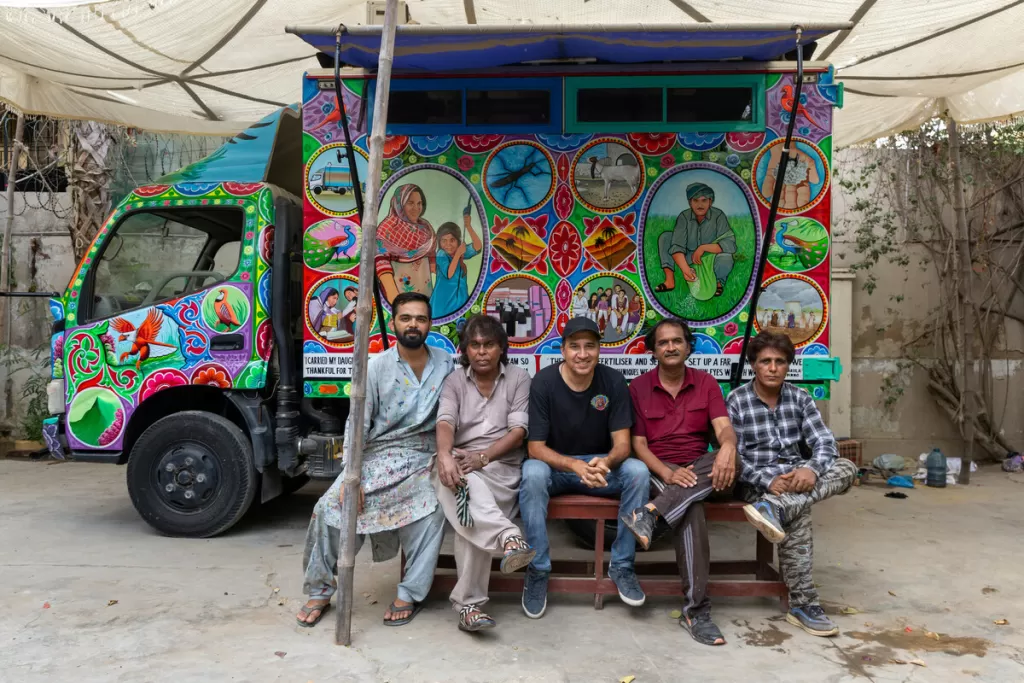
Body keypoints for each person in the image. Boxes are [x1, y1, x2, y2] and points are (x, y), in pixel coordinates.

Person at [296, 292, 453, 628]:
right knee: (329, 508)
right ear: (394, 322)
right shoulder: (376, 366)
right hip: (376, 454)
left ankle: (410, 592)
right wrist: (352, 475)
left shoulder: (447, 363)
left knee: (435, 507)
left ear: (430, 323)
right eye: (406, 318)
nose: (413, 324)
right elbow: (357, 424)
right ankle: (320, 590)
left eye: (421, 319)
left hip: (424, 456)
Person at [728, 331, 857, 638]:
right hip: (757, 484)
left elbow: (825, 444)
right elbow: (733, 457)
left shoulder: (800, 398)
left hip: (795, 481)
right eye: (765, 362)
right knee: (799, 512)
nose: (772, 368)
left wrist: (810, 470)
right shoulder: (737, 401)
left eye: (780, 362)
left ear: (788, 366)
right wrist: (769, 481)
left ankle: (776, 509)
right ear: (754, 366)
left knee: (848, 467)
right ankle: (803, 604)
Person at [519, 316, 649, 618]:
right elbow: (535, 448)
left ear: (599, 350)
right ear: (563, 350)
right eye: (574, 346)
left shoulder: (613, 381)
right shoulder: (544, 382)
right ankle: (538, 568)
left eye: (589, 346)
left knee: (638, 472)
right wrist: (575, 466)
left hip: (599, 468)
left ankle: (623, 565)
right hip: (558, 468)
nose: (582, 353)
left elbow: (622, 446)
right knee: (532, 473)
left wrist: (604, 462)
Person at [620, 319, 738, 646]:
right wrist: (670, 474)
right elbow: (639, 446)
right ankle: (696, 612)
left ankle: (650, 513)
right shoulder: (639, 388)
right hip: (663, 470)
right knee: (692, 509)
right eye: (663, 343)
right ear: (653, 350)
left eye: (677, 341)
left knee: (734, 457)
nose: (671, 347)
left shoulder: (706, 384)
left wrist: (727, 445)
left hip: (700, 466)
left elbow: (723, 428)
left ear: (688, 346)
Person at [433, 315, 535, 632]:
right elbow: (445, 422)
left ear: (501, 348)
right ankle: (509, 538)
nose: (481, 352)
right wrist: (445, 455)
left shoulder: (519, 378)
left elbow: (518, 431)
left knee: (470, 523)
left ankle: (469, 607)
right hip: (461, 464)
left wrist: (483, 457)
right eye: (474, 345)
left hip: (501, 467)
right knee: (455, 480)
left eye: (489, 344)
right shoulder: (454, 381)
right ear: (465, 349)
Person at [657, 182, 737, 297]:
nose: (700, 204)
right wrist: (686, 270)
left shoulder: (718, 215)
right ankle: (670, 281)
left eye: (704, 200)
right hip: (689, 256)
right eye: (695, 200)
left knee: (726, 258)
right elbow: (677, 246)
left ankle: (718, 282)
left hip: (711, 257)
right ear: (690, 202)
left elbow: (730, 243)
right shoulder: (684, 217)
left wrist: (703, 248)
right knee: (665, 237)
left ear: (710, 201)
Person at [375, 184, 437, 302]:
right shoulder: (387, 229)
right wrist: (393, 296)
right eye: (410, 203)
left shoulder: (425, 228)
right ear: (399, 204)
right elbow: (380, 260)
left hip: (425, 293)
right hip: (399, 294)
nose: (416, 208)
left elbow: (432, 257)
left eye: (419, 203)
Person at [430, 204, 483, 318]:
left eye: (452, 240)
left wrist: (468, 226)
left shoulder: (460, 253)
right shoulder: (441, 254)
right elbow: (449, 273)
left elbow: (478, 246)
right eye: (444, 241)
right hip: (443, 303)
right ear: (439, 242)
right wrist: (458, 253)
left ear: (458, 241)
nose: (448, 244)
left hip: (460, 301)